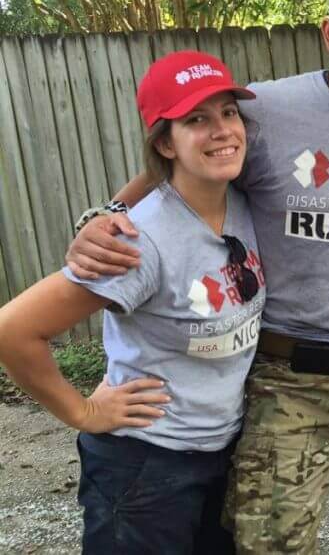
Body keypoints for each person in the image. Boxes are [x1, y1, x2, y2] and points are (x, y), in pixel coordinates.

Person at [65, 0, 329, 554]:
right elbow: (179, 155)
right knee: (268, 545)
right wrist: (106, 212)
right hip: (289, 377)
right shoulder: (266, 110)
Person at [0, 50, 265, 553]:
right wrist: (83, 412)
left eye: (229, 113)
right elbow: (12, 330)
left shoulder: (244, 205)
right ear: (165, 141)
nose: (223, 130)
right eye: (196, 120)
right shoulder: (137, 242)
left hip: (220, 452)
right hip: (145, 465)